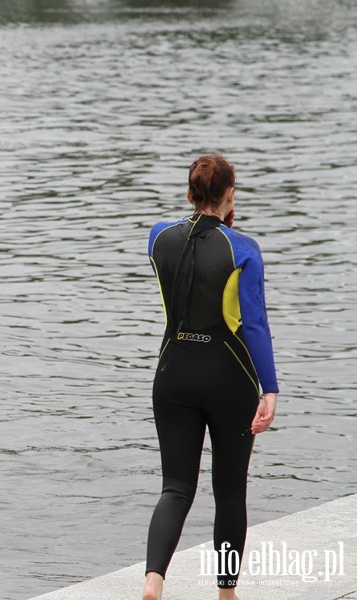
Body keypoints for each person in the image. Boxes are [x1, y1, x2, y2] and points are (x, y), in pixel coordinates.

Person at [142, 155, 279, 600]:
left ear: (189, 192)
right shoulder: (243, 248)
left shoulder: (157, 237)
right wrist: (270, 388)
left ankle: (153, 582)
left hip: (172, 375)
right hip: (229, 378)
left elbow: (190, 244)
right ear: (230, 195)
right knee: (229, 492)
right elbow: (254, 325)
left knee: (176, 488)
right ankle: (225, 593)